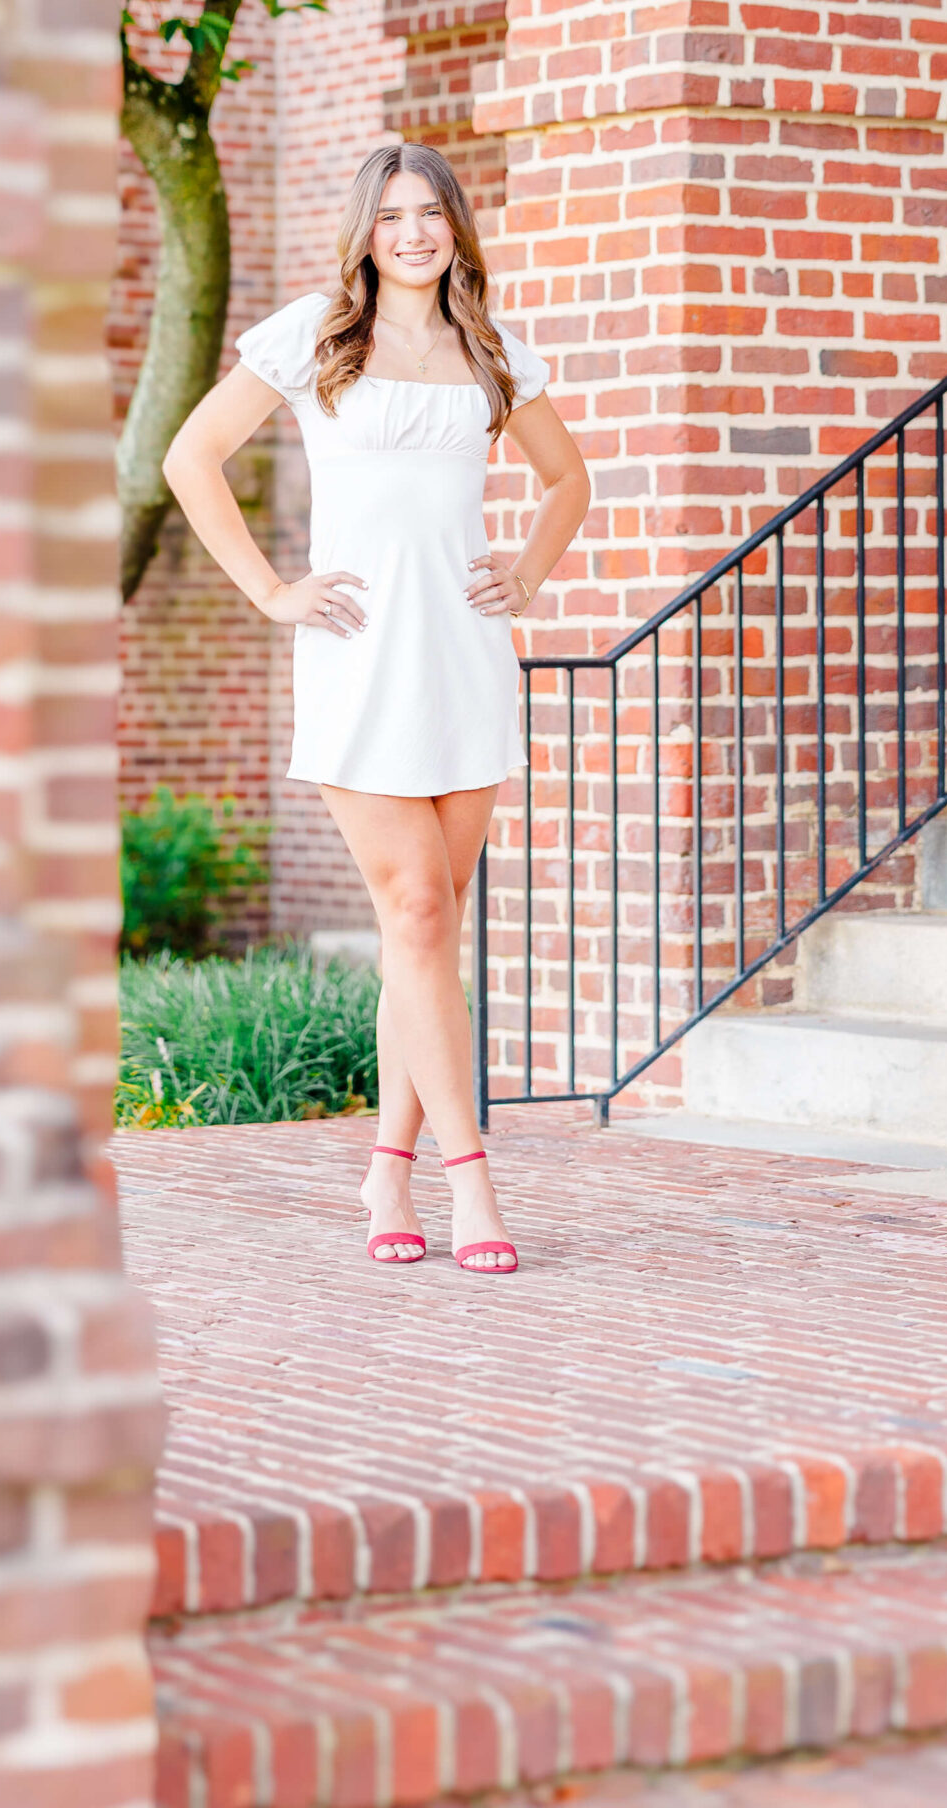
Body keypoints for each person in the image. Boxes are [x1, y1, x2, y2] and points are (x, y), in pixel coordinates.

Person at [162, 142, 591, 1272]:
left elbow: (569, 479)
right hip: (357, 655)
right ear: (366, 230)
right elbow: (190, 457)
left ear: (456, 226)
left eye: (431, 213)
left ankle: (385, 1169)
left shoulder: (489, 347)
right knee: (414, 908)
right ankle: (471, 1184)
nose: (413, 232)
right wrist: (271, 591)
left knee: (428, 932)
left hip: (464, 655)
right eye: (392, 214)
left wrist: (531, 573)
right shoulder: (315, 333)